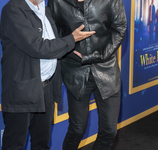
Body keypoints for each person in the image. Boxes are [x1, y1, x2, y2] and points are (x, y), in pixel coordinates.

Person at [0, 0, 95, 149]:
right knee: (14, 144)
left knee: (42, 143)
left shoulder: (45, 10)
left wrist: (69, 52)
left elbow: (54, 42)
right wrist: (72, 39)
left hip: (46, 89)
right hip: (22, 90)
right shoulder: (13, 10)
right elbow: (37, 47)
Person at [48, 0, 127, 150]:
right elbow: (54, 32)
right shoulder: (56, 2)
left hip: (107, 70)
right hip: (75, 72)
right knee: (77, 130)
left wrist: (98, 55)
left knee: (109, 130)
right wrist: (67, 49)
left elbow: (120, 28)